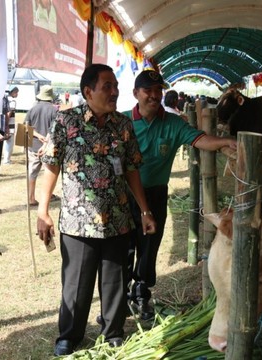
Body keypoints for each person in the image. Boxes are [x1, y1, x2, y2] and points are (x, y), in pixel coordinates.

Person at [36, 64, 156, 356]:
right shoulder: (66, 122)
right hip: (78, 221)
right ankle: (70, 335)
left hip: (117, 218)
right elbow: (51, 166)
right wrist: (43, 211)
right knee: (76, 282)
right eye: (107, 86)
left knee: (115, 280)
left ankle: (113, 331)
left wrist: (144, 210)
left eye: (115, 86)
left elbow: (131, 169)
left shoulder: (123, 125)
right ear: (88, 91)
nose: (114, 92)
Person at [123, 69, 237, 320]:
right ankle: (120, 297)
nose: (154, 96)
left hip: (155, 194)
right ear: (136, 94)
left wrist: (225, 142)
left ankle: (142, 292)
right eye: (148, 91)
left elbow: (199, 139)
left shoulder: (173, 123)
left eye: (157, 91)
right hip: (124, 194)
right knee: (123, 246)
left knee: (149, 245)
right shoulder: (122, 122)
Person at [25, 85, 58, 206]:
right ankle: (48, 196)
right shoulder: (54, 110)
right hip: (48, 148)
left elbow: (26, 128)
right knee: (48, 173)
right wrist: (45, 142)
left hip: (33, 146)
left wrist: (38, 136)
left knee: (32, 173)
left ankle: (31, 198)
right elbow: (53, 130)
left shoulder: (32, 109)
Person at [2, 86, 19, 164]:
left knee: (6, 142)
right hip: (9, 125)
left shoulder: (5, 99)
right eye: (16, 92)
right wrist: (7, 125)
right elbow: (9, 113)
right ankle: (7, 160)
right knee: (10, 142)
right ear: (12, 92)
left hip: (3, 123)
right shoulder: (12, 101)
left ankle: (5, 158)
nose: (17, 94)